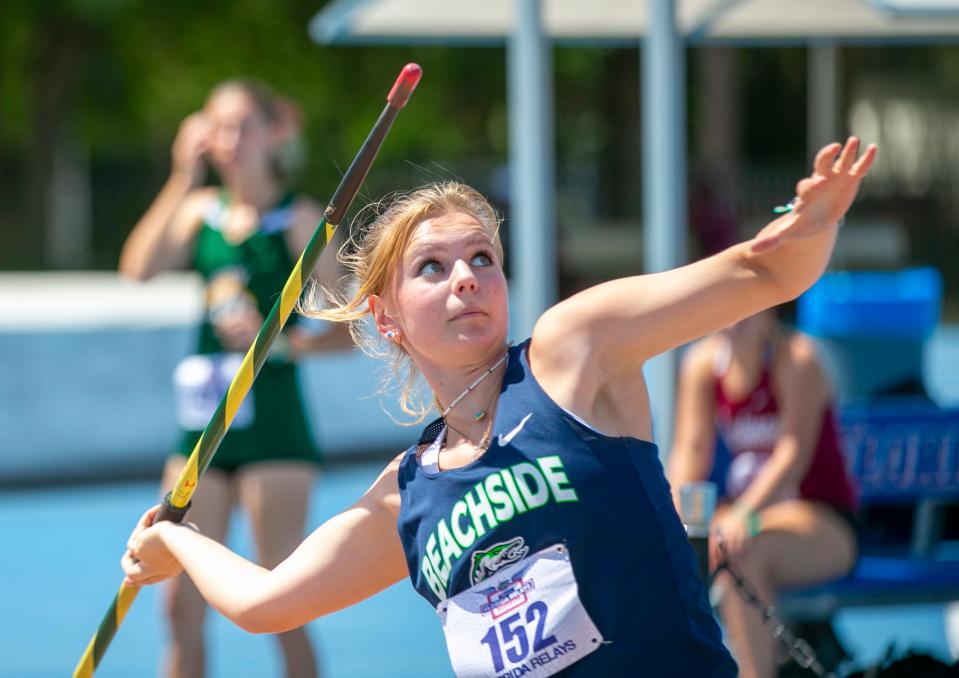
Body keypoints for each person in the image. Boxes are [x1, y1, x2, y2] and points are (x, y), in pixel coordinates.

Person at [121, 137, 877, 677]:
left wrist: (815, 224)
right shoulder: (405, 496)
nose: (466, 279)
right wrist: (174, 543)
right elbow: (265, 603)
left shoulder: (572, 354)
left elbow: (763, 272)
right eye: (432, 267)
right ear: (386, 318)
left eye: (482, 258)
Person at [119, 79, 351, 678]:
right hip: (202, 426)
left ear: (275, 133)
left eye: (243, 125)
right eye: (217, 127)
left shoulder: (301, 219)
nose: (229, 140)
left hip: (274, 426)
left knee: (280, 601)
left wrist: (275, 346)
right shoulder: (202, 213)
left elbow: (345, 332)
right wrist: (179, 175)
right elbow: (138, 268)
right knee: (177, 605)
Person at [666, 305, 859, 678]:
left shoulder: (797, 358)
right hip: (749, 520)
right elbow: (690, 455)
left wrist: (743, 516)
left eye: (749, 302)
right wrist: (681, 527)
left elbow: (793, 457)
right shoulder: (702, 365)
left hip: (820, 518)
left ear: (769, 306)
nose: (736, 313)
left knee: (742, 555)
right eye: (728, 299)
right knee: (671, 558)